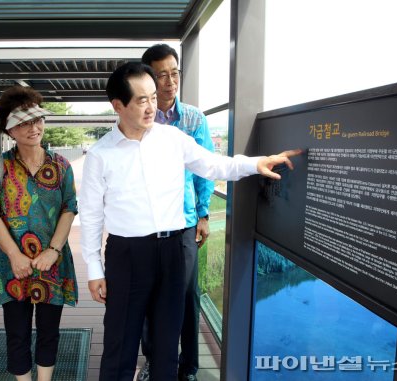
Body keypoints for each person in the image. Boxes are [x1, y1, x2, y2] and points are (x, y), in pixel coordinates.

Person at [80, 62, 301, 381]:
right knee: (120, 344)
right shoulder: (101, 154)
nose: (152, 106)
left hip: (173, 251)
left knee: (168, 344)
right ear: (118, 105)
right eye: (141, 100)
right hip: (127, 255)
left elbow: (214, 166)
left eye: (153, 97)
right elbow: (90, 215)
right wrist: (94, 269)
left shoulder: (172, 139)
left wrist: (256, 163)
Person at [0, 85, 79, 381]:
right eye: (23, 123)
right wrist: (14, 255)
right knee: (17, 332)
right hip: (13, 265)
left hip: (53, 262)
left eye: (37, 120)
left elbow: (69, 208)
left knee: (50, 331)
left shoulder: (61, 165)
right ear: (9, 130)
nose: (33, 128)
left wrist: (53, 250)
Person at [137, 43, 214, 381]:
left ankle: (189, 368)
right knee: (150, 295)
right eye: (160, 75)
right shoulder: (137, 118)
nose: (169, 81)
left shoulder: (193, 118)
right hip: (145, 222)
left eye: (174, 73)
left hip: (183, 222)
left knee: (186, 295)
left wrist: (203, 214)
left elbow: (204, 169)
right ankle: (155, 359)